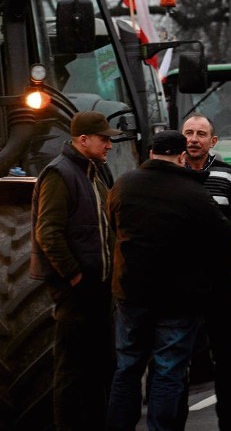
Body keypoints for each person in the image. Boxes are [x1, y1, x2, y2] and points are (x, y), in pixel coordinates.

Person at [105, 130, 231, 431]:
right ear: (181, 156)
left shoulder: (123, 185)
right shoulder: (193, 193)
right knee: (167, 371)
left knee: (126, 369)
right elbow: (222, 236)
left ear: (150, 154)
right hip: (178, 300)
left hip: (131, 293)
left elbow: (113, 224)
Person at [30, 110, 119, 430]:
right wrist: (74, 274)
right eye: (104, 139)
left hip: (98, 288)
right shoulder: (60, 173)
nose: (109, 145)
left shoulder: (93, 172)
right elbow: (48, 232)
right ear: (83, 140)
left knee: (100, 367)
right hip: (77, 290)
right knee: (72, 370)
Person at [180, 113, 231, 431]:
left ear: (213, 142)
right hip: (180, 286)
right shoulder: (170, 174)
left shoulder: (228, 175)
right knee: (176, 362)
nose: (193, 139)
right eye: (188, 133)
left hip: (222, 284)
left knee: (227, 361)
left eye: (200, 134)